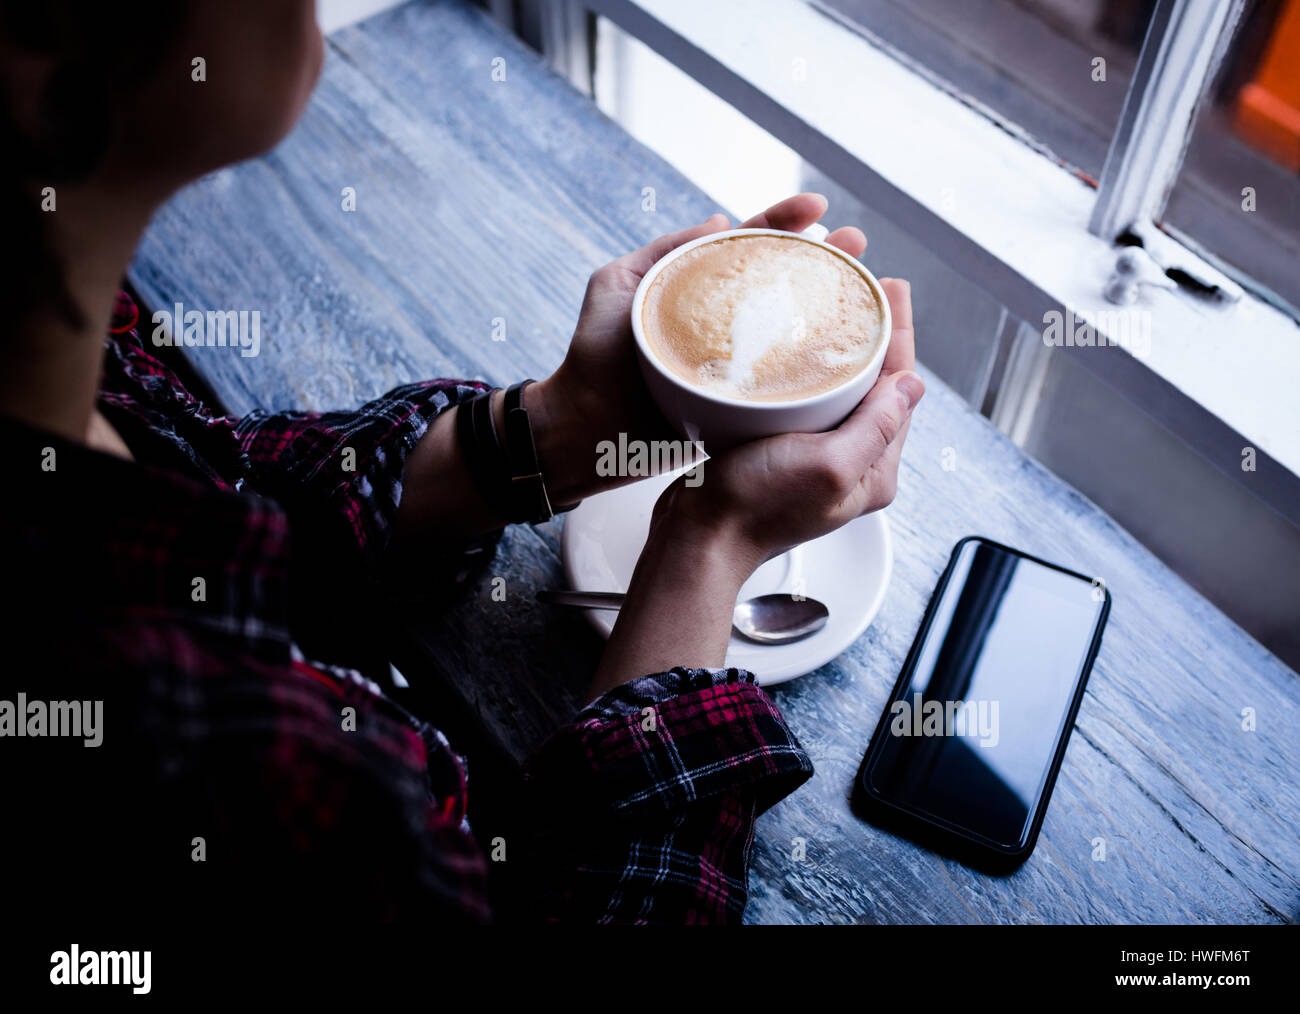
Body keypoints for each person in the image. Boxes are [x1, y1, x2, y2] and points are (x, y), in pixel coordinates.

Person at [0, 0, 923, 926]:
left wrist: (559, 429)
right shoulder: (208, 755)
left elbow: (226, 497)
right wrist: (709, 542)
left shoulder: (71, 367)